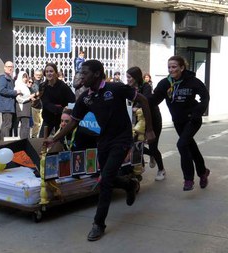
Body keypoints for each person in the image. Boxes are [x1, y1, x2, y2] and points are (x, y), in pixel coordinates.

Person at [45, 60, 155, 241]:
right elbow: (73, 121)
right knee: (105, 176)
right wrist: (54, 139)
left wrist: (149, 129)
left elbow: (142, 100)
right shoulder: (85, 98)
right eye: (80, 73)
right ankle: (129, 184)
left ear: (96, 74)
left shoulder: (116, 88)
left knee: (105, 181)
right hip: (103, 140)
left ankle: (98, 224)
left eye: (85, 73)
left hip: (122, 139)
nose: (81, 76)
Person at [150, 55, 210, 191]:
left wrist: (197, 113)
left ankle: (188, 179)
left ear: (182, 68)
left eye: (174, 67)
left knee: (182, 144)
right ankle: (203, 172)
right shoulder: (165, 83)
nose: (171, 70)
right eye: (169, 67)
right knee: (191, 147)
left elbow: (205, 97)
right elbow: (154, 99)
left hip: (192, 120)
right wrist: (139, 100)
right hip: (178, 121)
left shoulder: (193, 81)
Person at [126, 67, 165, 181]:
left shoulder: (146, 86)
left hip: (152, 120)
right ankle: (138, 170)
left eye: (129, 77)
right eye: (127, 77)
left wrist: (137, 106)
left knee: (153, 146)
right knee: (136, 144)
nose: (127, 80)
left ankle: (161, 170)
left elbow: (146, 99)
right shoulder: (128, 88)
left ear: (136, 77)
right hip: (137, 121)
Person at [39, 63, 75, 137]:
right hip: (48, 119)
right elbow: (46, 104)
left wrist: (67, 109)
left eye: (51, 71)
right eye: (47, 71)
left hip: (61, 120)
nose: (49, 73)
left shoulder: (63, 86)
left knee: (60, 141)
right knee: (41, 141)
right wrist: (62, 108)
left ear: (56, 73)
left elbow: (72, 100)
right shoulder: (42, 86)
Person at [0, 61, 20, 141]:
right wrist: (15, 92)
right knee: (7, 125)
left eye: (11, 67)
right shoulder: (3, 78)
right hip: (6, 105)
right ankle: (3, 143)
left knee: (7, 124)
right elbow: (1, 90)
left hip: (9, 105)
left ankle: (3, 142)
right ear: (4, 67)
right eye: (8, 66)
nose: (10, 68)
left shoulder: (9, 78)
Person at [14, 71, 35, 139]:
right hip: (22, 108)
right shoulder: (18, 86)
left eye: (26, 77)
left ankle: (26, 140)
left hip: (27, 107)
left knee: (26, 126)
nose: (25, 79)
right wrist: (29, 97)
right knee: (24, 126)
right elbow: (19, 98)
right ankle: (23, 141)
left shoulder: (25, 86)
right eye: (23, 77)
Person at [30, 70, 43, 138]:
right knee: (36, 124)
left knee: (42, 123)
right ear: (34, 75)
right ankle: (34, 137)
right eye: (37, 74)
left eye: (39, 74)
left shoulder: (43, 83)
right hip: (35, 105)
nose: (38, 76)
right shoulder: (31, 83)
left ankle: (40, 136)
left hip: (42, 106)